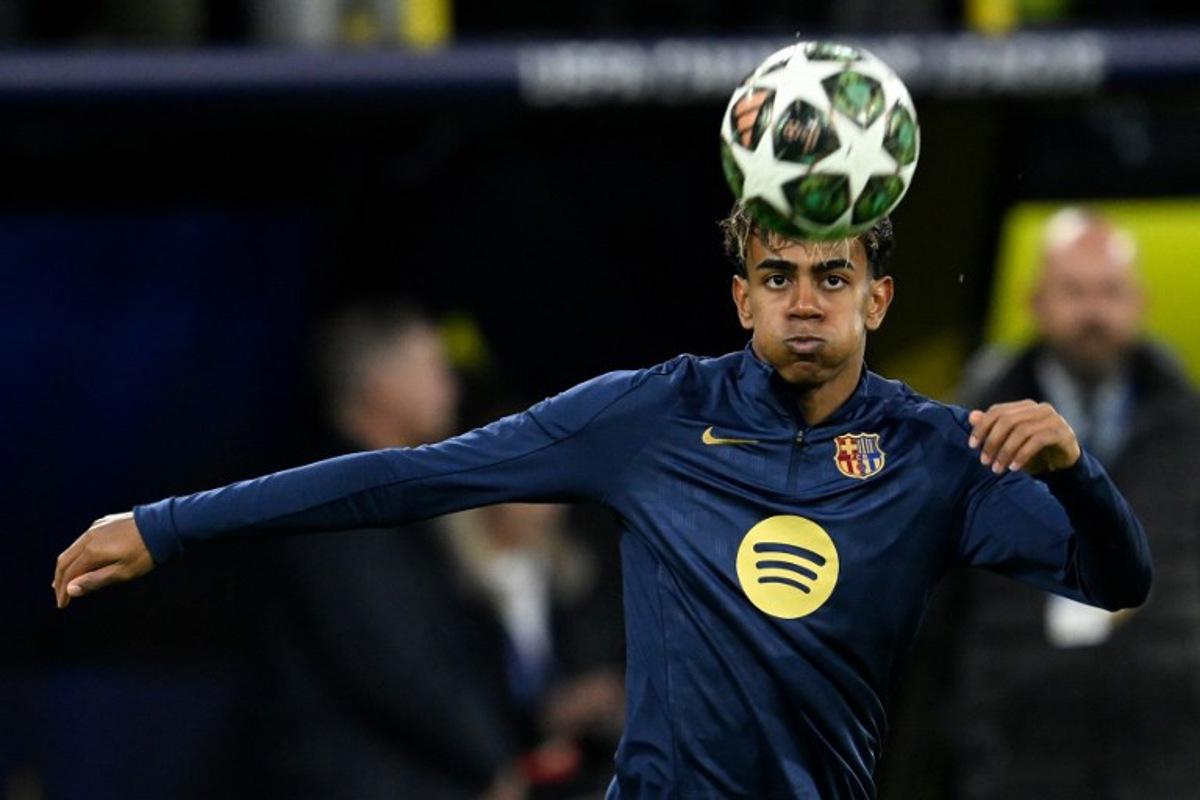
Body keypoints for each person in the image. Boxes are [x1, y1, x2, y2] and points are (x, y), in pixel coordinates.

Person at [52, 153, 1151, 797]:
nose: (803, 299)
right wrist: (166, 523)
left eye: (831, 275)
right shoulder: (652, 415)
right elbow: (407, 478)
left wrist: (1075, 472)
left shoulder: (931, 452)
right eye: (777, 275)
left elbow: (1118, 580)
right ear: (741, 298)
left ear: (879, 299)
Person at [940, 208, 1200, 799]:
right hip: (1012, 756)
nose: (1093, 312)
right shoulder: (969, 431)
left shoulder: (1191, 430)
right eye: (1074, 291)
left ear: (1139, 302)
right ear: (1036, 302)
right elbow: (938, 616)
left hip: (1167, 756)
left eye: (1110, 291)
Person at [253, 305, 526, 800]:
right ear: (380, 382)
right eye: (434, 368)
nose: (453, 387)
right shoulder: (333, 506)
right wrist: (494, 764)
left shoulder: (392, 499)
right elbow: (395, 665)